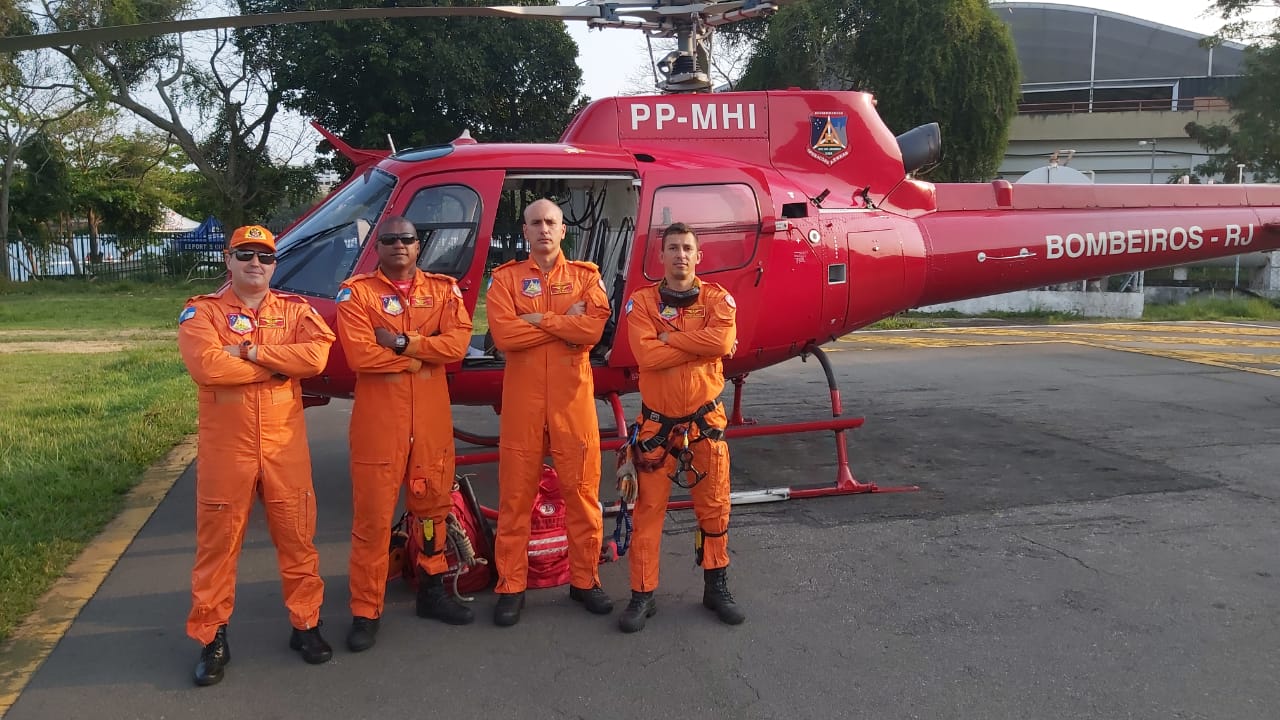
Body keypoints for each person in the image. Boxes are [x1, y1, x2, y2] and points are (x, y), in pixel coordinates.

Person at [176, 224, 336, 686]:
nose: (255, 264)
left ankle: (306, 624)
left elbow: (315, 358)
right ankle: (212, 637)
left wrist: (248, 351)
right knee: (217, 546)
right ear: (228, 261)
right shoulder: (201, 312)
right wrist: (275, 367)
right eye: (245, 255)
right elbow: (207, 366)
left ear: (274, 265)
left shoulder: (294, 310)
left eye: (264, 257)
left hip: (284, 447)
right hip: (229, 450)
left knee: (297, 537)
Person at [335, 215, 475, 652]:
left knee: (433, 514)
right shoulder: (357, 294)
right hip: (380, 428)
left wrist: (400, 345)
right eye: (391, 239)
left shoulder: (443, 289)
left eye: (407, 239)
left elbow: (456, 346)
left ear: (419, 246)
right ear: (379, 247)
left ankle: (431, 592)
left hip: (430, 426)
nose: (399, 245)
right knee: (373, 522)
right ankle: (365, 609)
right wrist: (421, 354)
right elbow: (360, 356)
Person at [487, 198, 613, 626]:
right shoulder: (505, 279)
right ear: (525, 232)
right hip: (523, 405)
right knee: (515, 498)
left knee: (582, 494)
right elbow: (504, 334)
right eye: (535, 223)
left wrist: (536, 320)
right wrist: (561, 319)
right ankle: (510, 585)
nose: (543, 229)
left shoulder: (585, 277)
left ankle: (585, 580)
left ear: (563, 231)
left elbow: (592, 329)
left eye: (551, 223)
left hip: (571, 403)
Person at [617, 222, 745, 633]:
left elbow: (722, 344)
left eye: (687, 248)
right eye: (673, 248)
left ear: (698, 255)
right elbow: (645, 356)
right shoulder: (641, 301)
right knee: (647, 514)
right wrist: (695, 342)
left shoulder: (717, 299)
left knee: (715, 510)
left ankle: (716, 586)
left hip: (705, 425)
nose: (680, 255)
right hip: (657, 428)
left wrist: (668, 338)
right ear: (662, 255)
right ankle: (642, 594)